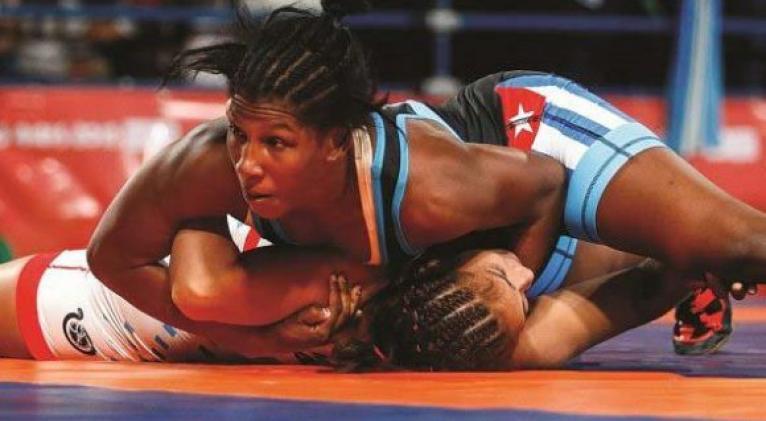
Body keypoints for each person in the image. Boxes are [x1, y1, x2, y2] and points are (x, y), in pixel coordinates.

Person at [88, 1, 764, 357]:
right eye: (240, 133)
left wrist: (508, 278)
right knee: (657, 262)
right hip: (462, 231)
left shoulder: (430, 186)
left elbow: (544, 184)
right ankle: (682, 269)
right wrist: (245, 339)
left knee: (738, 245)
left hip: (529, 141)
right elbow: (111, 257)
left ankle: (692, 253)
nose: (248, 163)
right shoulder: (209, 163)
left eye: (276, 144)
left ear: (335, 142)